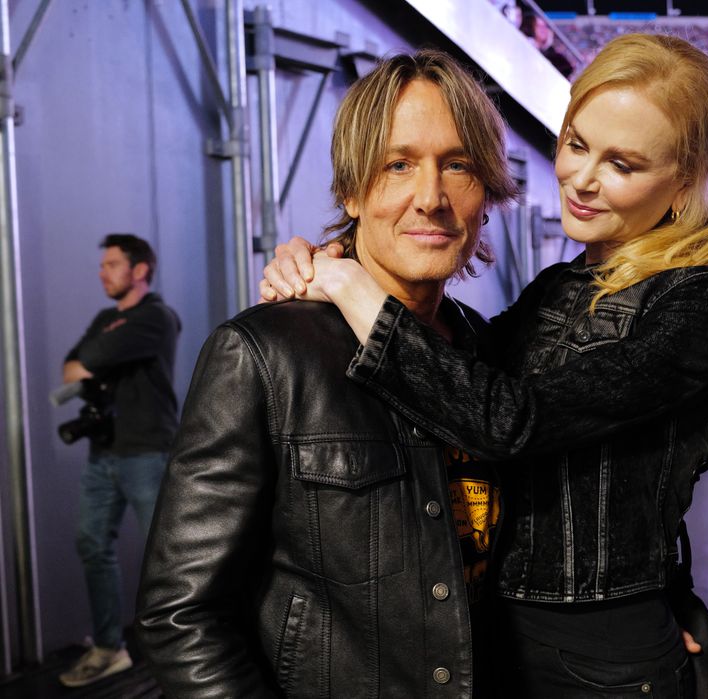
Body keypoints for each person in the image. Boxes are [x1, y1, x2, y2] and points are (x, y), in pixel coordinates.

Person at [263, 33, 708, 698]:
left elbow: (506, 420)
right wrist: (319, 256)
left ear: (685, 179)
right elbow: (457, 374)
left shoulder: (702, 299)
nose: (580, 177)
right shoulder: (561, 286)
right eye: (576, 143)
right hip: (493, 634)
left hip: (600, 656)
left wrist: (350, 283)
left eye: (623, 163)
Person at [135, 51, 517, 697]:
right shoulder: (263, 354)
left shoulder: (492, 359)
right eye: (398, 164)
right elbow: (180, 614)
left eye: (458, 164)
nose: (431, 197)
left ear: (487, 192)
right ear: (351, 189)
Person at [59, 234, 180, 688]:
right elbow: (70, 365)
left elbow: (90, 358)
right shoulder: (106, 317)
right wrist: (86, 361)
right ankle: (110, 648)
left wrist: (89, 361)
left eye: (112, 264)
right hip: (103, 453)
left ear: (140, 270)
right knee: (91, 543)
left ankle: (176, 653)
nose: (102, 272)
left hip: (147, 451)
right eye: (103, 264)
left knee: (166, 558)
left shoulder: (156, 317)